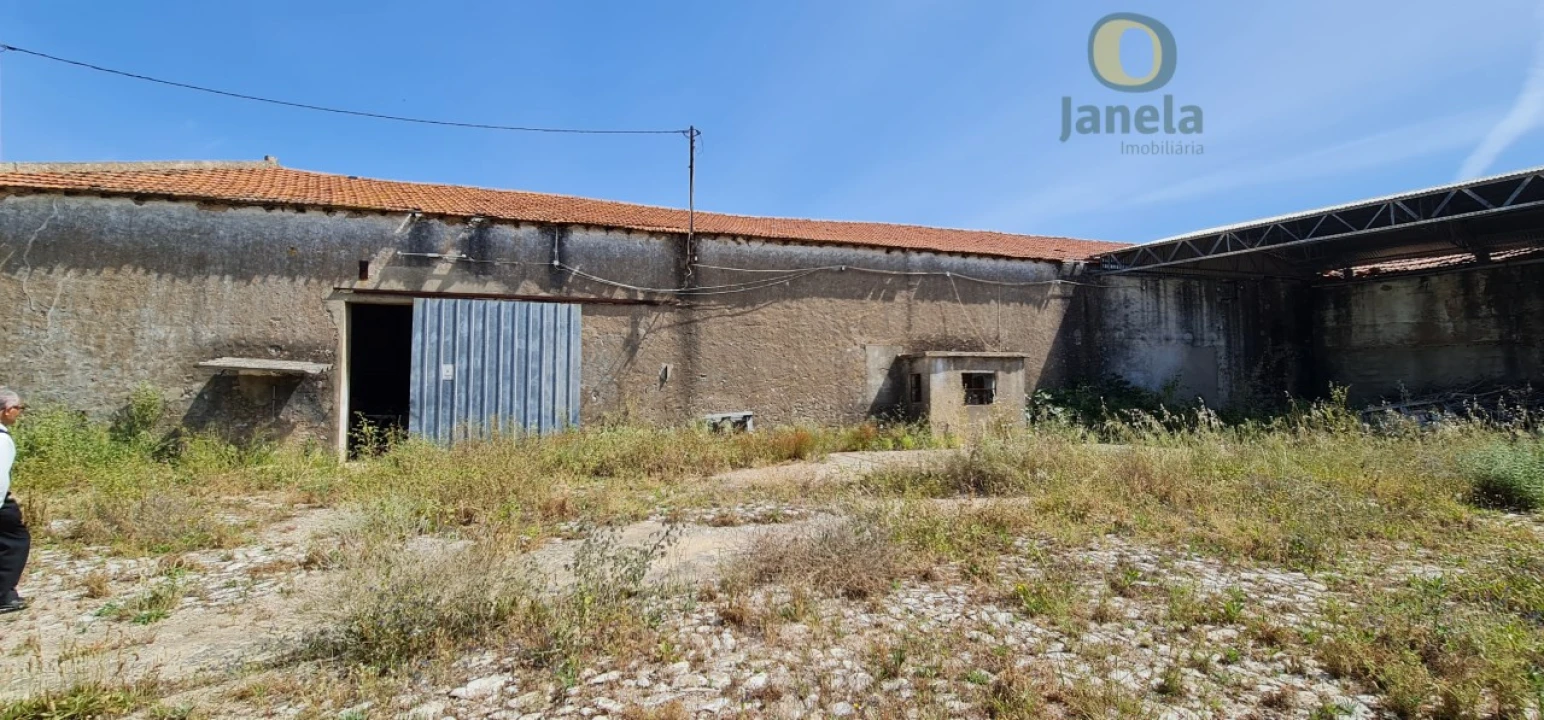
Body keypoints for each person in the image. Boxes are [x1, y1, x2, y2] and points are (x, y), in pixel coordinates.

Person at [0, 388, 28, 614]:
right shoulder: (2, 440)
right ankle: (3, 595)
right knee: (15, 541)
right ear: (7, 411)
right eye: (19, 408)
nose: (19, 413)